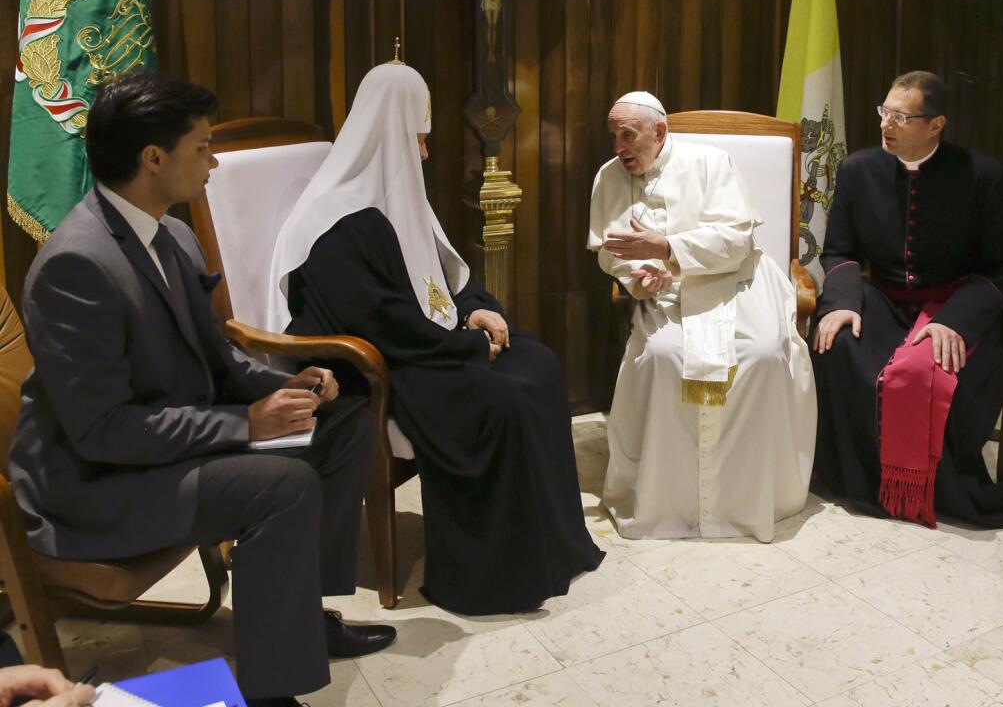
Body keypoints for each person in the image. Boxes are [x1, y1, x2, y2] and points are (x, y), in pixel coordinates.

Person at [8, 72, 395, 707]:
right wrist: (247, 424)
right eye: (203, 148)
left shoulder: (173, 232)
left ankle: (302, 620)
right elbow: (100, 430)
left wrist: (286, 386)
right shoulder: (76, 264)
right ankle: (273, 692)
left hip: (157, 445)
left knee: (343, 416)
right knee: (282, 485)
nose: (214, 163)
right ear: (152, 158)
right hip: (93, 486)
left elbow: (214, 355)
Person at [267, 59, 602, 615]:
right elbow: (382, 324)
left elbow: (445, 277)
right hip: (380, 368)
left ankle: (551, 548)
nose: (425, 153)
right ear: (390, 136)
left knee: (537, 363)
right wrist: (468, 346)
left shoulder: (396, 197)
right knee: (503, 397)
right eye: (418, 140)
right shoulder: (335, 222)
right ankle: (492, 575)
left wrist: (475, 312)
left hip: (425, 343)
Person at [587, 91, 816, 542]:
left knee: (766, 354)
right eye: (614, 136)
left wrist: (670, 249)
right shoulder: (608, 178)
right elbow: (611, 254)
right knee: (664, 357)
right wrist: (642, 273)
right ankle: (672, 501)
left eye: (628, 135)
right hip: (669, 296)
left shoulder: (712, 162)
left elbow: (735, 240)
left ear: (659, 131)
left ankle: (749, 499)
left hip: (739, 284)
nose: (619, 147)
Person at [810, 71, 1003, 529]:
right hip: (884, 297)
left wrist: (958, 321)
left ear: (936, 124)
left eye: (901, 117)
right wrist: (843, 301)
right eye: (884, 112)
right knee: (838, 344)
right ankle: (859, 481)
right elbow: (840, 250)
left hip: (956, 304)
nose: (886, 124)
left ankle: (935, 489)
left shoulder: (983, 176)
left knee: (942, 372)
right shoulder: (857, 170)